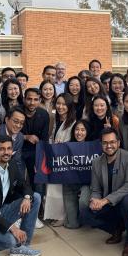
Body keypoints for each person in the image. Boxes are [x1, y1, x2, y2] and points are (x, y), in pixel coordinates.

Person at [81, 128, 128, 256]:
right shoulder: (96, 162)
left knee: (127, 200)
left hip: (127, 202)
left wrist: (105, 200)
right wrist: (95, 200)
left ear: (118, 143)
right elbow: (96, 189)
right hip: (109, 204)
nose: (109, 146)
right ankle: (116, 229)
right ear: (101, 144)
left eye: (112, 142)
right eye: (105, 143)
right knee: (86, 212)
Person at [44, 93, 77, 226]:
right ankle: (54, 214)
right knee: (53, 188)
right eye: (58, 103)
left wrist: (62, 146)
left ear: (69, 106)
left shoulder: (73, 122)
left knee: (59, 189)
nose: (60, 106)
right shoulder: (56, 119)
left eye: (64, 104)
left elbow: (75, 142)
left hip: (65, 160)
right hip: (55, 157)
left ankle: (61, 216)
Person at [21, 88, 50, 228]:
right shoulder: (16, 111)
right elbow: (10, 133)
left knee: (38, 180)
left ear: (39, 100)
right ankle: (18, 214)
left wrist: (39, 159)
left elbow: (43, 139)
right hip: (18, 150)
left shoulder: (43, 114)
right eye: (29, 99)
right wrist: (26, 137)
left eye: (35, 99)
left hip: (36, 151)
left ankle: (35, 214)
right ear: (24, 99)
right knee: (19, 181)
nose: (32, 102)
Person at [62, 120, 93, 229]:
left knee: (83, 202)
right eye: (77, 129)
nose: (79, 133)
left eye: (83, 130)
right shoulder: (66, 146)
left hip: (86, 184)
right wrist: (56, 148)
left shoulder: (92, 147)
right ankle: (71, 218)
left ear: (87, 132)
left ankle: (88, 218)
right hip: (69, 185)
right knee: (73, 225)